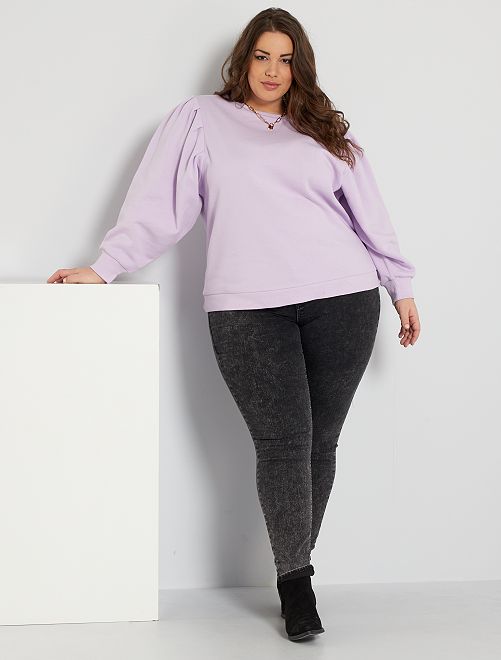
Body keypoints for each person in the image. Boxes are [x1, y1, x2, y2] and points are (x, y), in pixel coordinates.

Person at [47, 7, 420, 642]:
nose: (273, 71)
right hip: (246, 306)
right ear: (243, 59)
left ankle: (296, 572)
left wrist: (400, 286)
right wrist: (106, 267)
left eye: (286, 59)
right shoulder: (201, 120)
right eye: (262, 56)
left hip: (343, 297)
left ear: (300, 67)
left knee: (320, 444)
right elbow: (160, 204)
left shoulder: (326, 131)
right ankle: (296, 581)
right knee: (282, 443)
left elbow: (370, 215)